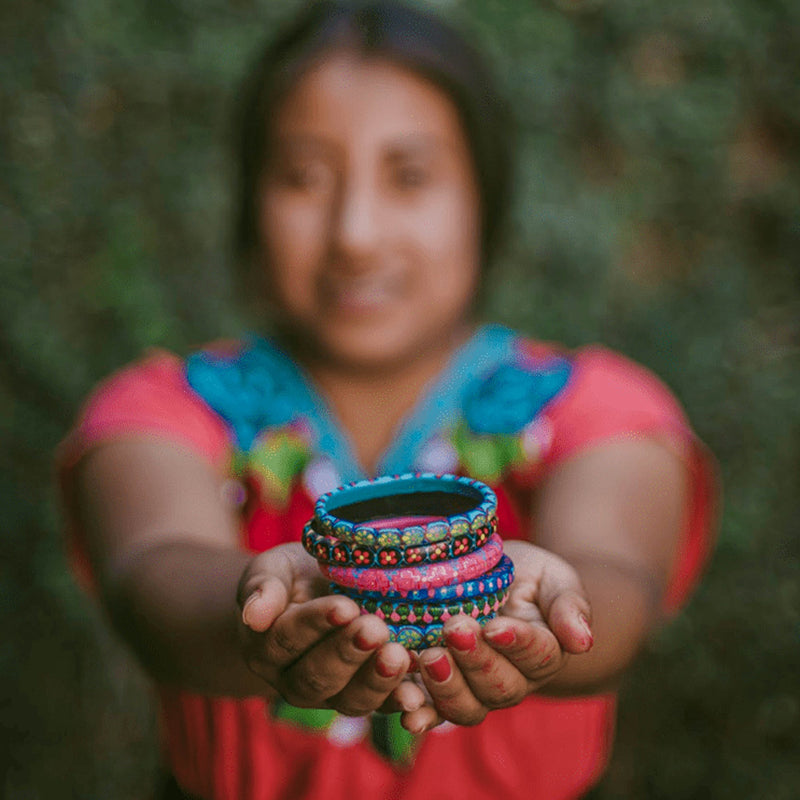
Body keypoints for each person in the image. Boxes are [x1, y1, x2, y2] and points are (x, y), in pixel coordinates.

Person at [57, 2, 718, 798]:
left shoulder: (601, 409)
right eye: (303, 178)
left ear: (484, 196)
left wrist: (542, 609)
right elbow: (154, 577)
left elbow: (617, 588)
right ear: (250, 200)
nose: (356, 234)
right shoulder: (161, 411)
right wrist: (263, 613)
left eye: (410, 176)